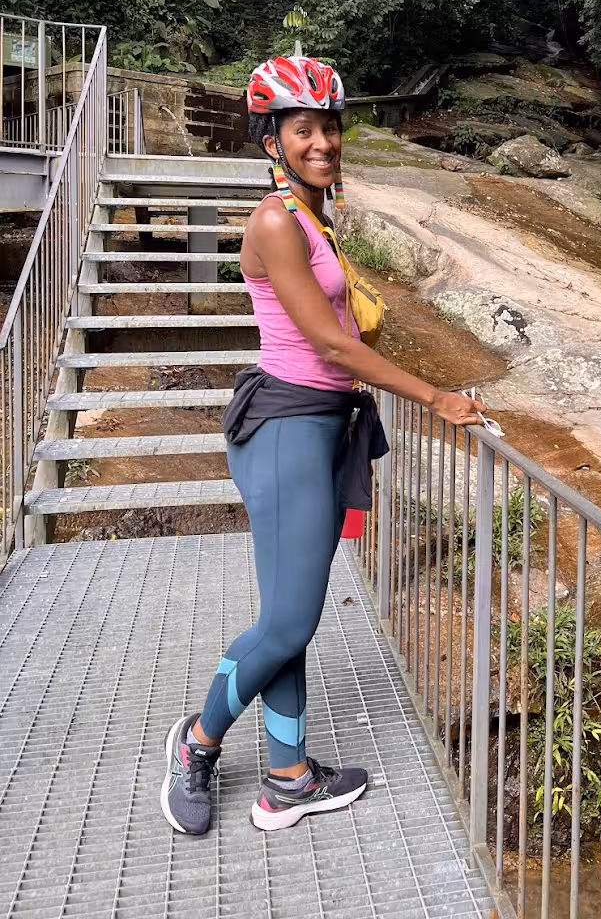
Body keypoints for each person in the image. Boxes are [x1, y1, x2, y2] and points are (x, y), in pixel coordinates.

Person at [160, 52, 484, 836]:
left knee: (290, 616)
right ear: (272, 139)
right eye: (303, 129)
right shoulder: (276, 220)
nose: (323, 142)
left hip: (320, 429)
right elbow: (329, 346)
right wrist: (437, 396)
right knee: (287, 624)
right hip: (287, 430)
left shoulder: (313, 215)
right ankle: (198, 743)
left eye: (330, 127)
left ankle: (288, 778)